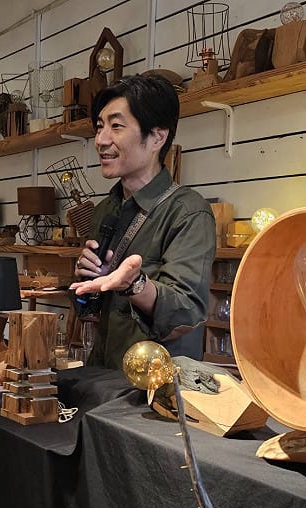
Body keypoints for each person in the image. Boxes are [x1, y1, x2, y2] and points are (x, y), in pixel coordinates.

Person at [70, 75, 216, 369]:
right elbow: (89, 311)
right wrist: (86, 285)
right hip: (104, 375)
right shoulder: (105, 209)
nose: (101, 140)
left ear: (157, 138)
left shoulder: (188, 212)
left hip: (157, 386)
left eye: (116, 126)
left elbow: (187, 312)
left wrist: (134, 284)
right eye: (99, 127)